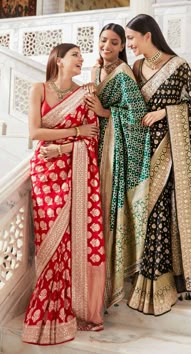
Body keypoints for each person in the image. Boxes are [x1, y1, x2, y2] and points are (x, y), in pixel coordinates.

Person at [125, 14, 191, 316]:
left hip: (171, 153)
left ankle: (163, 281)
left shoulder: (178, 67)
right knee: (143, 214)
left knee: (161, 213)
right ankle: (142, 276)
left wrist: (165, 113)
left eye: (131, 38)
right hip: (141, 154)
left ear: (147, 35)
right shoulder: (136, 69)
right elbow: (127, 104)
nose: (130, 45)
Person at [22, 43, 105, 345]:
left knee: (69, 243)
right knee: (49, 242)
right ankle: (45, 305)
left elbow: (92, 138)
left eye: (82, 57)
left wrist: (68, 145)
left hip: (74, 172)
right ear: (59, 60)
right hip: (46, 175)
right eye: (75, 56)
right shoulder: (38, 89)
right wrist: (75, 133)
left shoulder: (85, 95)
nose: (81, 60)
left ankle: (71, 306)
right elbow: (34, 132)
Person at [85, 23, 151, 309]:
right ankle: (88, 282)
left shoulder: (124, 75)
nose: (107, 47)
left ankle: (106, 286)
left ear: (123, 45)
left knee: (107, 213)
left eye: (114, 42)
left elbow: (137, 117)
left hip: (113, 155)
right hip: (92, 150)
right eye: (103, 41)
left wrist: (105, 112)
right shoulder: (95, 70)